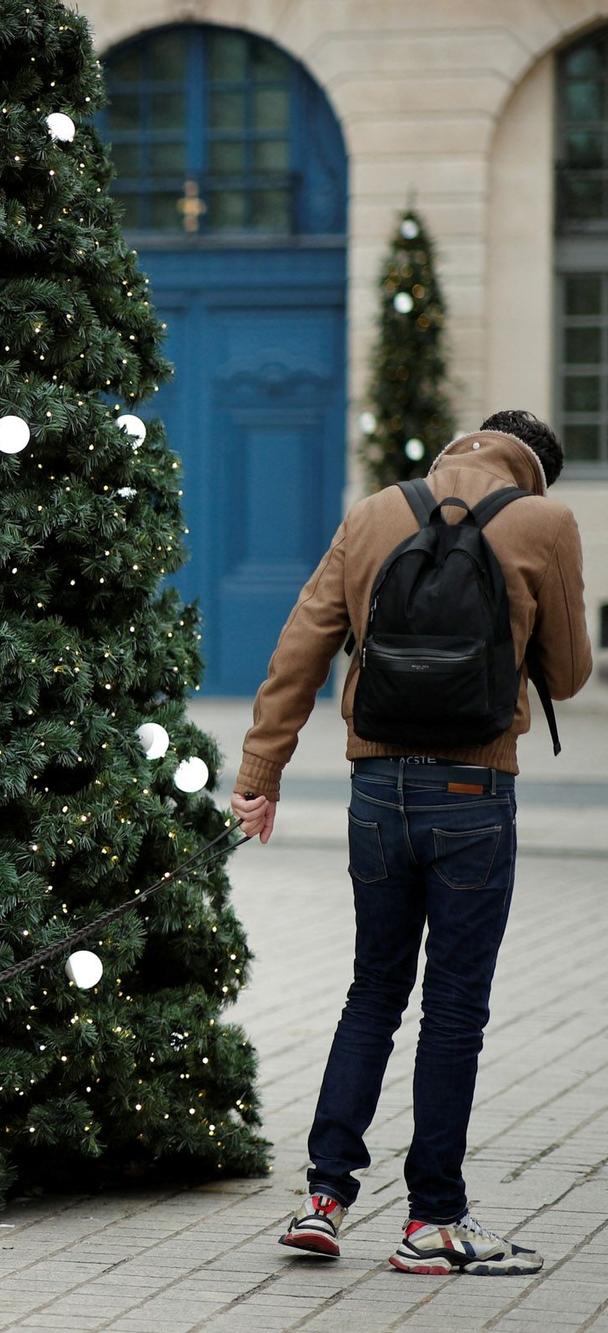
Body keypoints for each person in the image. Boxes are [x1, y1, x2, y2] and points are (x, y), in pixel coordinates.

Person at [230, 410, 589, 1276]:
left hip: (375, 789)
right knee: (454, 1010)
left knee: (373, 990)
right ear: (536, 469)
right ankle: (432, 1221)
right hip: (473, 790)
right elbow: (572, 673)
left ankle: (323, 1198)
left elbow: (302, 645)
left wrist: (260, 776)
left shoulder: (375, 510)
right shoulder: (543, 521)